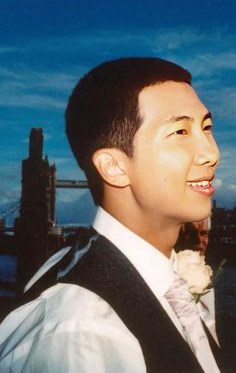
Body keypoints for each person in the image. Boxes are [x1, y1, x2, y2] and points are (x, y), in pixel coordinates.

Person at [0, 58, 224, 372]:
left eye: (207, 127)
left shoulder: (72, 261)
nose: (212, 153)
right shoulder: (84, 334)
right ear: (114, 167)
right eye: (181, 131)